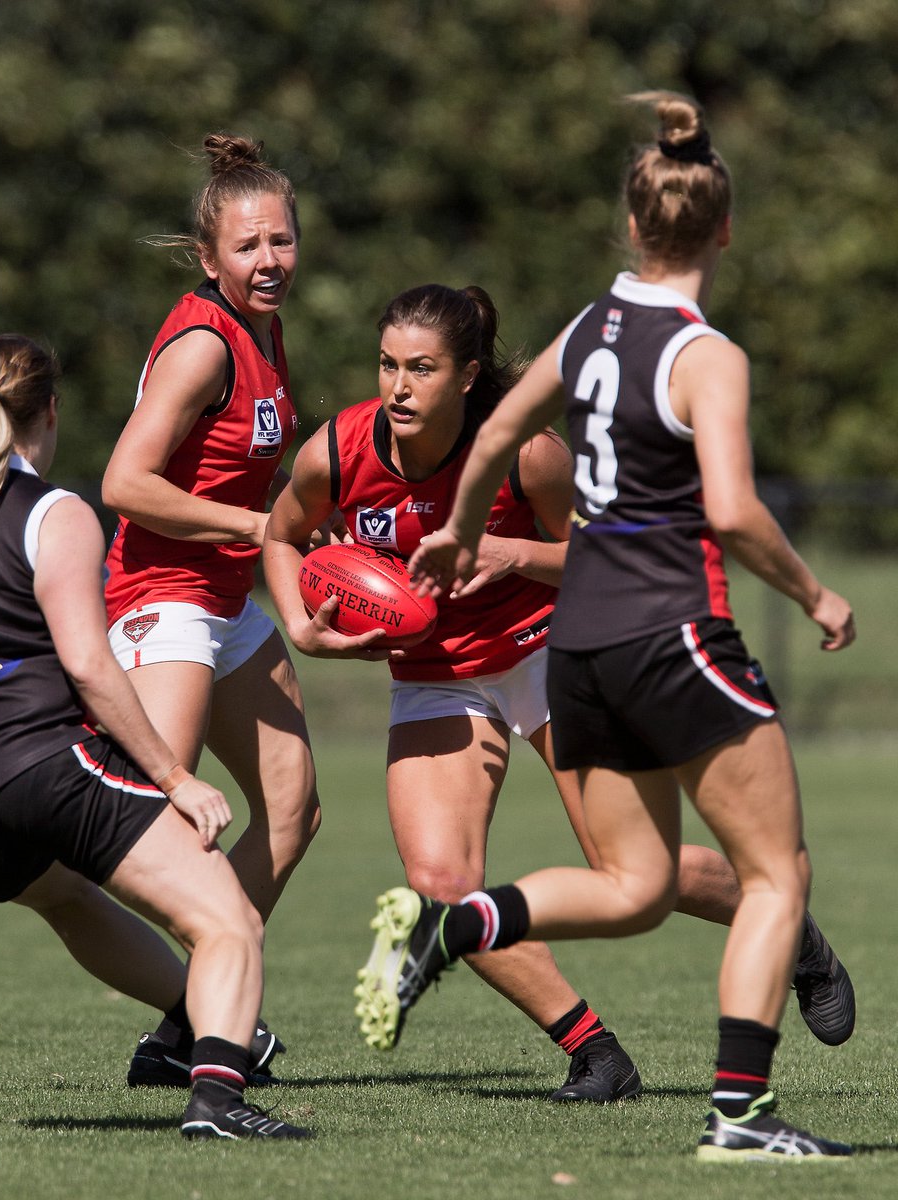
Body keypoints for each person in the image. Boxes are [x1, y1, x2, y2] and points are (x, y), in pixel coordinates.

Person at [363, 94, 857, 1161]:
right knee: (779, 876)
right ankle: (741, 1116)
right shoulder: (704, 352)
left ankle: (459, 922)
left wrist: (453, 531)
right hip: (674, 631)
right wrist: (814, 593)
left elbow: (497, 426)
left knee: (634, 888)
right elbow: (729, 509)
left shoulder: (590, 326)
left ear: (633, 228)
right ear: (724, 230)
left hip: (576, 647)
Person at [262, 282, 852, 1106]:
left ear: (466, 377)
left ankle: (796, 939)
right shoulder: (340, 451)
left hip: (553, 656)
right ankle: (595, 1052)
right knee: (441, 887)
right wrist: (299, 621)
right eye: (388, 364)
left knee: (632, 872)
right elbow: (281, 532)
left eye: (421, 369)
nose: (398, 386)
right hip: (437, 677)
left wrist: (510, 553)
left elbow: (608, 553)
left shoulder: (527, 454)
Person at [0, 334, 311, 1141]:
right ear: (51, 411)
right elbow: (90, 664)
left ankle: (191, 1018)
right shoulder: (54, 510)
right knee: (227, 921)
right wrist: (175, 777)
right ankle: (215, 1098)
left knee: (66, 898)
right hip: (44, 763)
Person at [101, 134, 320, 1086]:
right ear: (209, 257)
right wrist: (257, 523)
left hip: (225, 599)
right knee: (155, 832)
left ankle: (196, 1016)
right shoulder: (202, 342)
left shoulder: (264, 326)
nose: (268, 261)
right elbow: (124, 483)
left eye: (281, 241)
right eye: (248, 247)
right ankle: (201, 1016)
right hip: (164, 600)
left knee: (293, 805)